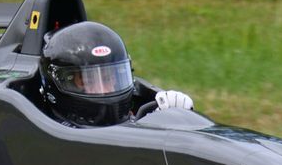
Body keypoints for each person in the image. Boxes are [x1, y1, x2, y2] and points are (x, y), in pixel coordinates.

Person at [35, 22, 194, 126]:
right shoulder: (50, 132)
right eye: (88, 82)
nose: (105, 89)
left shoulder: (133, 116)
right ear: (58, 81)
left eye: (108, 78)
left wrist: (176, 115)